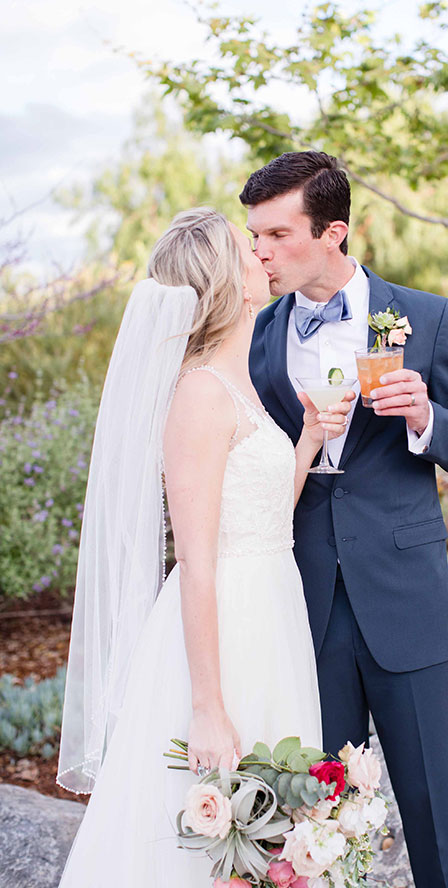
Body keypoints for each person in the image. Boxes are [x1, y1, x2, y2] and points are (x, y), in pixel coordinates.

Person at [55, 207, 353, 885]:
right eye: (248, 250)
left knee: (274, 824)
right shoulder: (198, 395)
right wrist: (208, 708)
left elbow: (259, 515)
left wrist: (304, 443)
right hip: (226, 626)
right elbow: (195, 560)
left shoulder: (237, 380)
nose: (262, 255)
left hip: (273, 612)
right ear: (231, 284)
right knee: (208, 836)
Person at [243, 151, 448, 888]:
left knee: (438, 816)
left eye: (278, 235)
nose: (260, 251)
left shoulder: (422, 318)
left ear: (334, 233)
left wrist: (425, 417)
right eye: (254, 235)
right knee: (316, 820)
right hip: (303, 605)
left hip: (406, 601)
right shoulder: (258, 337)